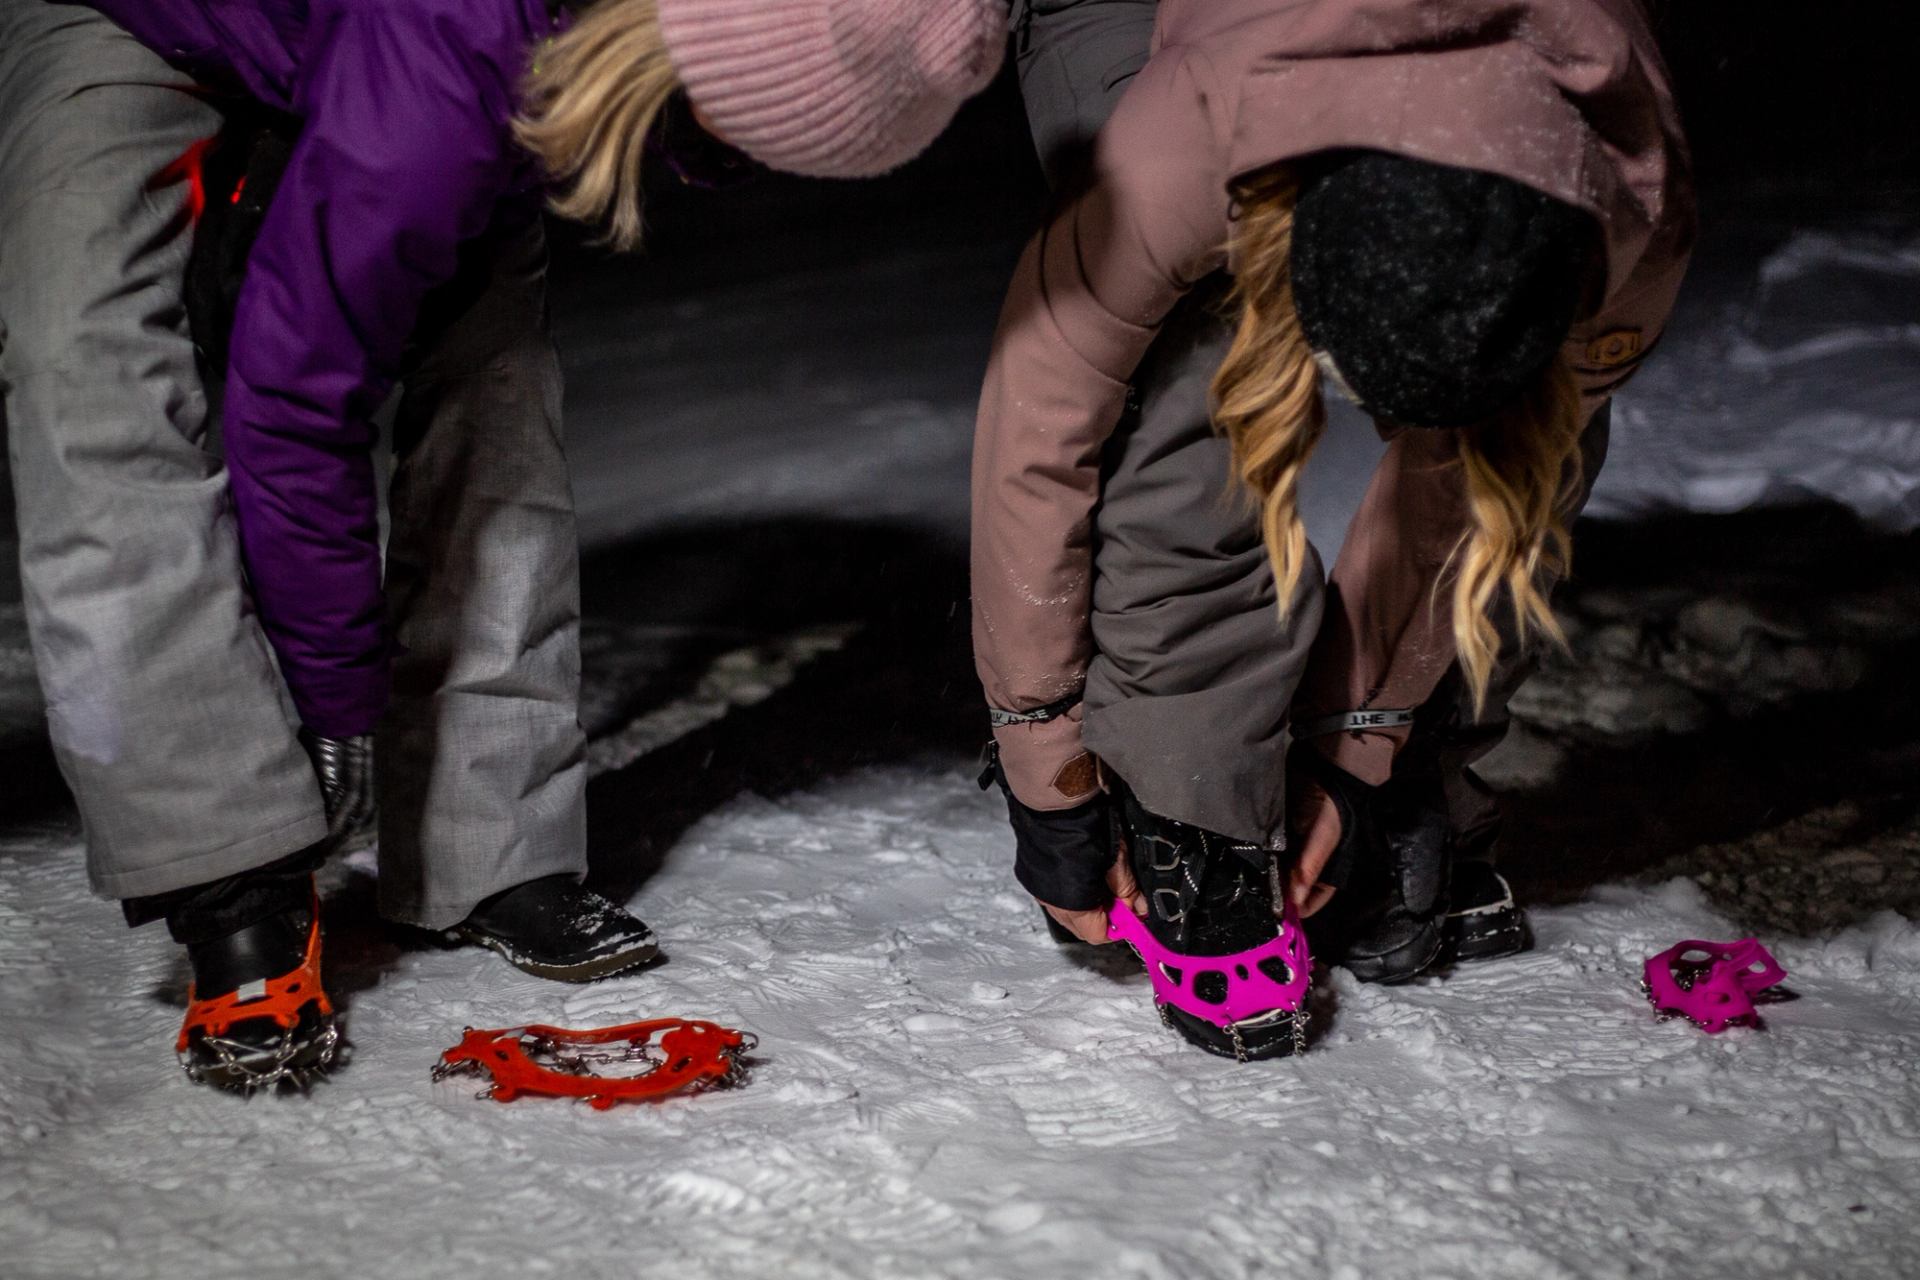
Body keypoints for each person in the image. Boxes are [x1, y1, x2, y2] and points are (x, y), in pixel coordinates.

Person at [0, 0, 1003, 1090]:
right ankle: (230, 861)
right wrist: (331, 703)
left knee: (493, 375)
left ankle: (489, 838)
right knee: (84, 362)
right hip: (125, 14)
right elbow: (289, 408)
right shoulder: (452, 56)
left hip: (409, 52)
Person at [974, 0, 1694, 1059]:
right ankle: (1196, 810)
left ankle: (1426, 770)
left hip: (1456, 133)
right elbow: (1040, 421)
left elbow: (1477, 486)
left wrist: (1365, 746)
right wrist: (1046, 762)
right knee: (1188, 375)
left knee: (1531, 444)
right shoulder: (1190, 137)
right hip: (1177, 41)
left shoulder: (1632, 194)